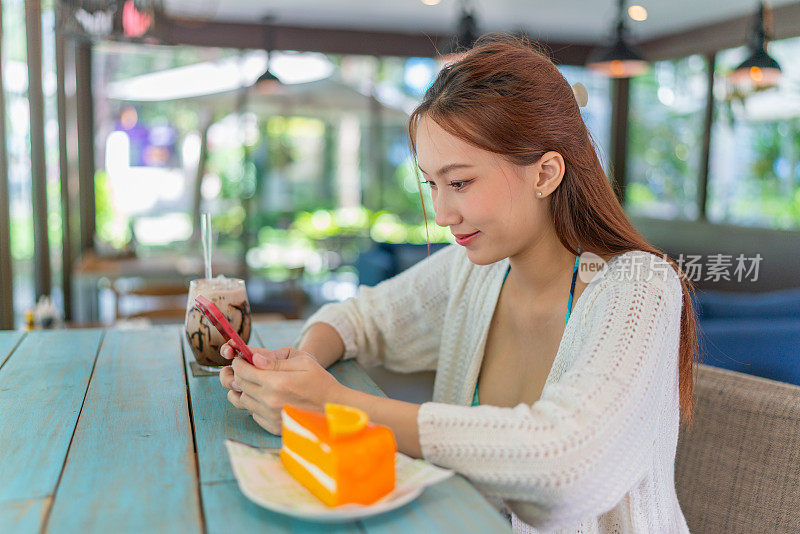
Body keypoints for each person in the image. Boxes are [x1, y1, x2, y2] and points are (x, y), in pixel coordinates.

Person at [219, 35, 698, 533]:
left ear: (546, 173)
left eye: (461, 182)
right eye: (432, 183)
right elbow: (360, 318)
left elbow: (566, 466)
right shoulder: (476, 269)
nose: (443, 214)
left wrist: (338, 404)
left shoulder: (640, 288)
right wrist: (299, 374)